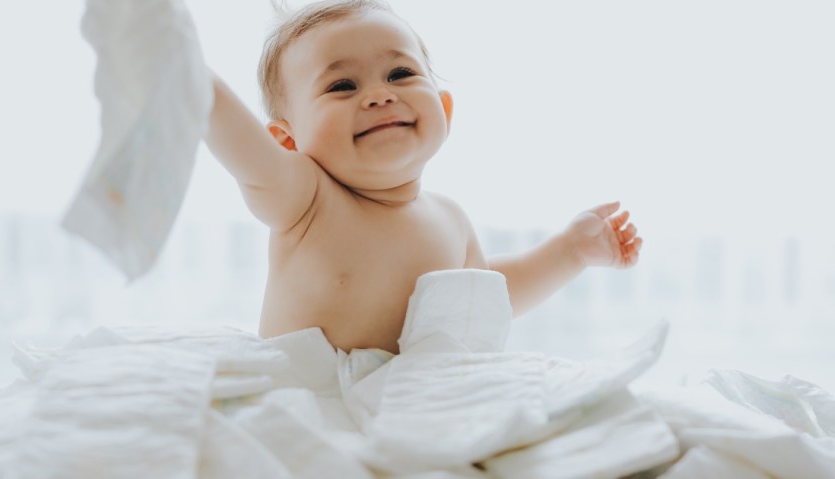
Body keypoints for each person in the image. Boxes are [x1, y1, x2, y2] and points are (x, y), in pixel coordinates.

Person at [205, 0, 642, 354]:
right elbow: (231, 132)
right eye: (342, 85)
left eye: (400, 73)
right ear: (286, 141)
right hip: (311, 408)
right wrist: (176, 61)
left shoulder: (449, 218)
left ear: (445, 111)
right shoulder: (305, 199)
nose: (380, 95)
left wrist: (569, 251)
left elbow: (486, 297)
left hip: (411, 412)